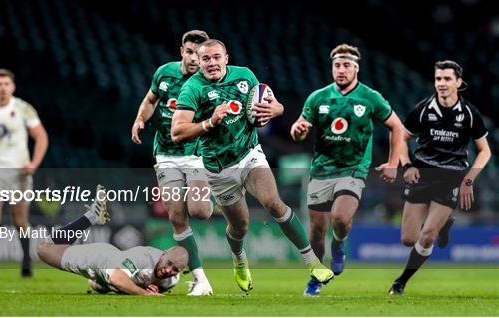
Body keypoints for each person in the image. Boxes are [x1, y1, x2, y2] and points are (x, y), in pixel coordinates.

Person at [171, 39, 335, 293]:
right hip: (218, 168)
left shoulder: (245, 76)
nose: (212, 63)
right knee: (240, 227)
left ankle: (312, 262)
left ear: (226, 58)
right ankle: (239, 259)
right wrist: (210, 122)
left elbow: (275, 106)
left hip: (249, 155)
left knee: (273, 202)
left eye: (216, 57)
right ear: (200, 63)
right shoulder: (193, 88)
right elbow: (178, 131)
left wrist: (274, 111)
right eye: (206, 59)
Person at [290, 43, 404, 296]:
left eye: (346, 65)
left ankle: (339, 243)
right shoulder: (318, 97)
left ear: (356, 68)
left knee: (340, 219)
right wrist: (297, 131)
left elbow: (397, 126)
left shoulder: (370, 97)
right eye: (337, 65)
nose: (341, 70)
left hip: (353, 170)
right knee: (317, 231)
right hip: (321, 171)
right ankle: (316, 278)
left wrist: (393, 162)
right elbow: (299, 127)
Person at [389, 60, 491, 295]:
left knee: (427, 236)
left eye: (447, 79)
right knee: (408, 239)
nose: (442, 83)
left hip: (451, 176)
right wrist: (407, 166)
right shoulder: (423, 109)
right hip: (422, 174)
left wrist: (469, 179)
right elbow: (401, 139)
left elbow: (485, 150)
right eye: (438, 79)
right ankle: (446, 223)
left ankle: (401, 281)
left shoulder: (469, 113)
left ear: (458, 82)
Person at [130, 30, 213, 296]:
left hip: (196, 155)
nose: (192, 58)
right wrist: (140, 118)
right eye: (189, 52)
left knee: (199, 211)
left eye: (198, 55)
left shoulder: (208, 82)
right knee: (177, 218)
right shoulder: (164, 73)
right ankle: (201, 281)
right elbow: (151, 99)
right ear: (182, 51)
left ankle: (218, 191)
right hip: (166, 155)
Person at [37, 185, 187, 295]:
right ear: (163, 254)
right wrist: (145, 294)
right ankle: (91, 217)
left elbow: (144, 285)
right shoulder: (144, 256)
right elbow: (116, 279)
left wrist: (148, 288)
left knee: (101, 285)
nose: (169, 270)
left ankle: (98, 283)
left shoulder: (171, 281)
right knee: (44, 248)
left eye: (175, 270)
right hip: (99, 259)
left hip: (112, 266)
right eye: (169, 264)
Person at [0, 69, 48, 278]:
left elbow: (41, 137)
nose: (3, 87)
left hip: (18, 172)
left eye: (6, 84)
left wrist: (34, 164)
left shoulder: (23, 108)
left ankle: (26, 260)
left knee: (19, 221)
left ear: (12, 87)